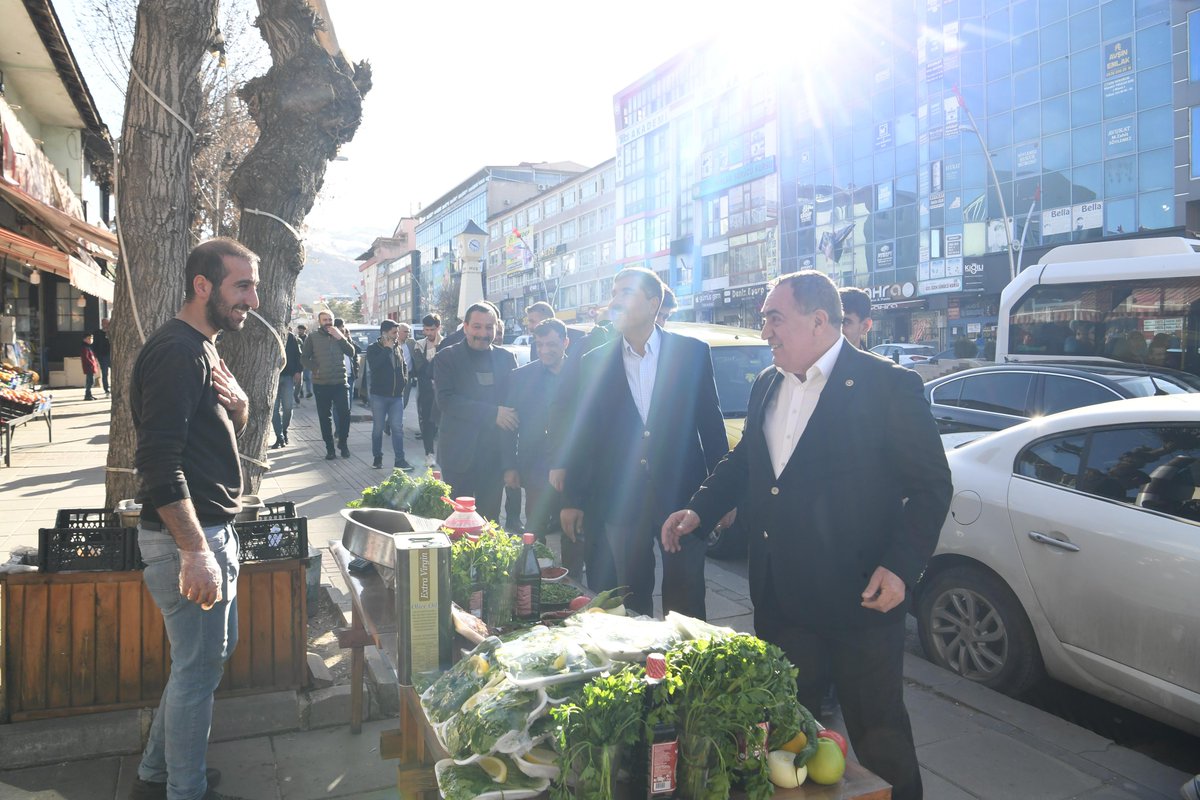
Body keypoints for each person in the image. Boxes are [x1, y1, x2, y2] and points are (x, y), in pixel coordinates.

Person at [661, 270, 952, 800]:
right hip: (781, 598)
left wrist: (901, 565)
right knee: (788, 737)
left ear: (819, 321)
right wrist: (699, 509)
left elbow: (932, 487)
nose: (764, 329)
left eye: (775, 318)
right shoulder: (767, 384)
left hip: (858, 600)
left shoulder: (887, 385)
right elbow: (745, 460)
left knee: (879, 737)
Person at [129, 237, 259, 800]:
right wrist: (196, 551)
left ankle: (157, 773)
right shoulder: (177, 352)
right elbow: (157, 462)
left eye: (254, 285)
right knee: (198, 672)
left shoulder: (202, 347)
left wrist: (242, 410)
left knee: (202, 664)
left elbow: (203, 441)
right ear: (202, 285)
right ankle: (184, 791)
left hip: (207, 533)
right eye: (242, 285)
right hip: (189, 539)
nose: (253, 298)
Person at [554, 267, 727, 618]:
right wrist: (572, 498)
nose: (615, 300)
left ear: (653, 303)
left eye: (626, 293)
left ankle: (685, 664)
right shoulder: (595, 362)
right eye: (613, 292)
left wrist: (721, 496)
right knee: (630, 592)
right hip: (621, 498)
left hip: (682, 496)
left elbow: (711, 423)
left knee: (685, 593)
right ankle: (638, 664)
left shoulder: (691, 353)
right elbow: (585, 435)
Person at [504, 318, 581, 573]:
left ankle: (574, 582)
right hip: (535, 467)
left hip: (573, 466)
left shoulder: (583, 373)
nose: (545, 350)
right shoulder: (521, 377)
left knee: (573, 531)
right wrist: (510, 466)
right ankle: (534, 580)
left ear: (565, 342)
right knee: (534, 531)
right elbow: (510, 425)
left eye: (551, 344)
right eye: (539, 345)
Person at [433, 301, 518, 521]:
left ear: (496, 328)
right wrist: (492, 414)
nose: (483, 333)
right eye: (477, 326)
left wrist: (510, 463)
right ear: (466, 326)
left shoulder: (506, 359)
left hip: (492, 458)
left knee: (489, 522)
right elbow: (446, 401)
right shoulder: (446, 358)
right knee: (456, 521)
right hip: (458, 457)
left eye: (489, 327)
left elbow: (512, 409)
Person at [301, 310, 355, 460]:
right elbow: (304, 358)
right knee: (325, 418)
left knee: (345, 414)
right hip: (321, 384)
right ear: (320, 322)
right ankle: (330, 448)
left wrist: (341, 337)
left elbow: (351, 352)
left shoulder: (339, 335)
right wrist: (315, 368)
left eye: (330, 319)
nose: (328, 322)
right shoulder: (312, 337)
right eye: (324, 320)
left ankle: (343, 444)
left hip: (340, 383)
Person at [366, 320, 412, 471]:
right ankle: (377, 457)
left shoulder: (398, 346)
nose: (397, 335)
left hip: (396, 396)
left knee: (397, 428)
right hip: (379, 395)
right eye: (394, 333)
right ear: (384, 333)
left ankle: (400, 460)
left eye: (397, 333)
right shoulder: (373, 348)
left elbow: (403, 365)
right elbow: (374, 366)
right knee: (378, 428)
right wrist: (386, 350)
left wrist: (404, 381)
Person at [412, 313, 444, 467]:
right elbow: (421, 369)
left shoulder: (446, 344)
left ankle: (444, 454)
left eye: (431, 330)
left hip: (443, 391)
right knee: (427, 423)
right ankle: (429, 453)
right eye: (426, 330)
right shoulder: (419, 345)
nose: (429, 333)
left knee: (444, 423)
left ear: (438, 328)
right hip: (426, 391)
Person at [270, 329, 303, 449]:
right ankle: (279, 437)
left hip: (288, 376)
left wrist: (298, 371)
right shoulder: (267, 334)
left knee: (288, 407)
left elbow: (298, 355)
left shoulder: (290, 337)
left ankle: (284, 430)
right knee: (274, 409)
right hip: (272, 377)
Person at [92, 317, 112, 396]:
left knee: (114, 372)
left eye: (107, 323)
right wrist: (95, 355)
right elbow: (94, 345)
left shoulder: (112, 332)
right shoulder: (97, 333)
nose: (105, 325)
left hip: (112, 355)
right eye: (104, 323)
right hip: (102, 356)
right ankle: (106, 390)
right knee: (105, 373)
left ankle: (113, 387)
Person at [81, 333, 100, 401]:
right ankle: (87, 395)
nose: (91, 340)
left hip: (92, 367)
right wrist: (92, 364)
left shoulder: (89, 347)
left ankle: (89, 394)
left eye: (91, 338)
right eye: (89, 338)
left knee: (90, 381)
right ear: (84, 339)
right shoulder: (84, 347)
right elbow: (86, 358)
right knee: (90, 381)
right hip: (89, 367)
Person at [295, 324, 312, 401]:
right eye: (299, 329)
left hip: (307, 360)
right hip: (299, 361)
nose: (300, 331)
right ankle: (300, 391)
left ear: (305, 330)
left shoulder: (308, 338)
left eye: (301, 329)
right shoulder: (296, 338)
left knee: (307, 377)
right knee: (300, 378)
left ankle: (309, 392)